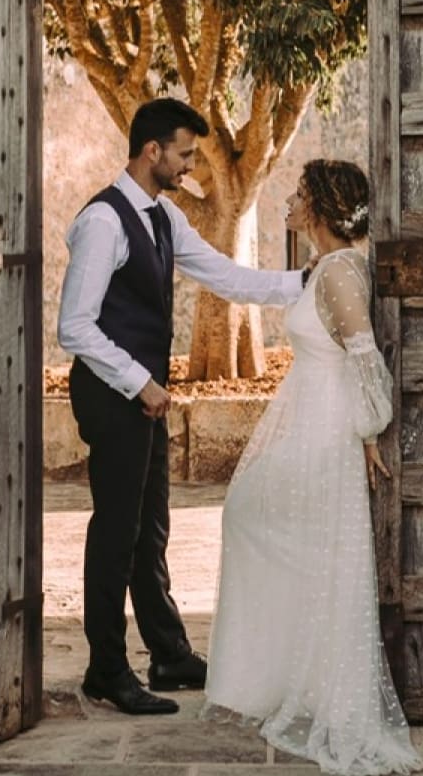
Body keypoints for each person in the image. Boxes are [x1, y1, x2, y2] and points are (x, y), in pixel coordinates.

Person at [57, 97, 307, 716]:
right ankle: (105, 670)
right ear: (152, 152)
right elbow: (75, 327)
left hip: (143, 396)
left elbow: (228, 277)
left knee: (153, 527)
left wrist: (309, 281)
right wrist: (140, 382)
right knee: (116, 531)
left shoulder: (165, 220)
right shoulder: (103, 223)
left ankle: (168, 655)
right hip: (115, 394)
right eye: (186, 154)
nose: (192, 165)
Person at [203, 160, 423, 775]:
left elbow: (364, 355)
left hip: (323, 429)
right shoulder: (325, 267)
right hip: (306, 417)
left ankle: (310, 685)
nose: (290, 203)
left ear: (321, 208)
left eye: (299, 195)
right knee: (266, 526)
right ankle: (285, 672)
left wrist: (370, 428)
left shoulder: (339, 274)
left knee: (261, 522)